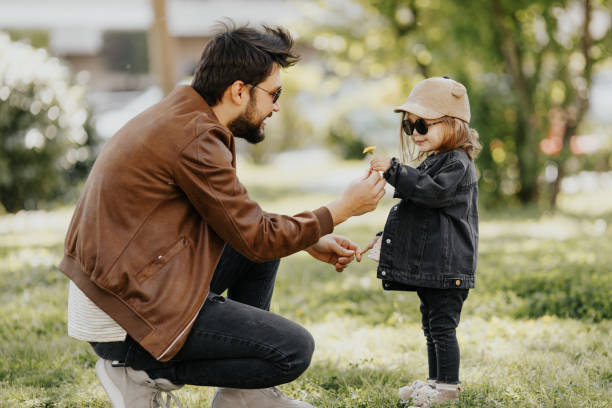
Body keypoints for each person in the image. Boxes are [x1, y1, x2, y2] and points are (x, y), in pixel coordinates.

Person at [60, 22, 386, 408]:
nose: (277, 106)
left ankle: (245, 397)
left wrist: (308, 237)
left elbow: (242, 223)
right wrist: (341, 210)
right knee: (292, 350)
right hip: (123, 315)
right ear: (238, 90)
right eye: (274, 94)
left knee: (262, 252)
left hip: (131, 282)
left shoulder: (186, 116)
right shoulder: (195, 137)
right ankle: (139, 372)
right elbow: (256, 234)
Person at [360, 76, 481, 407]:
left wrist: (396, 171)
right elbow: (419, 214)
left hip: (448, 268)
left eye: (423, 125)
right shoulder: (437, 160)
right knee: (431, 327)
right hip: (435, 268)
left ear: (453, 125)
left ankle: (447, 390)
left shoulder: (457, 163)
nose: (414, 133)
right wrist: (385, 239)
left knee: (442, 329)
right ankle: (434, 383)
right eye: (409, 125)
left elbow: (432, 192)